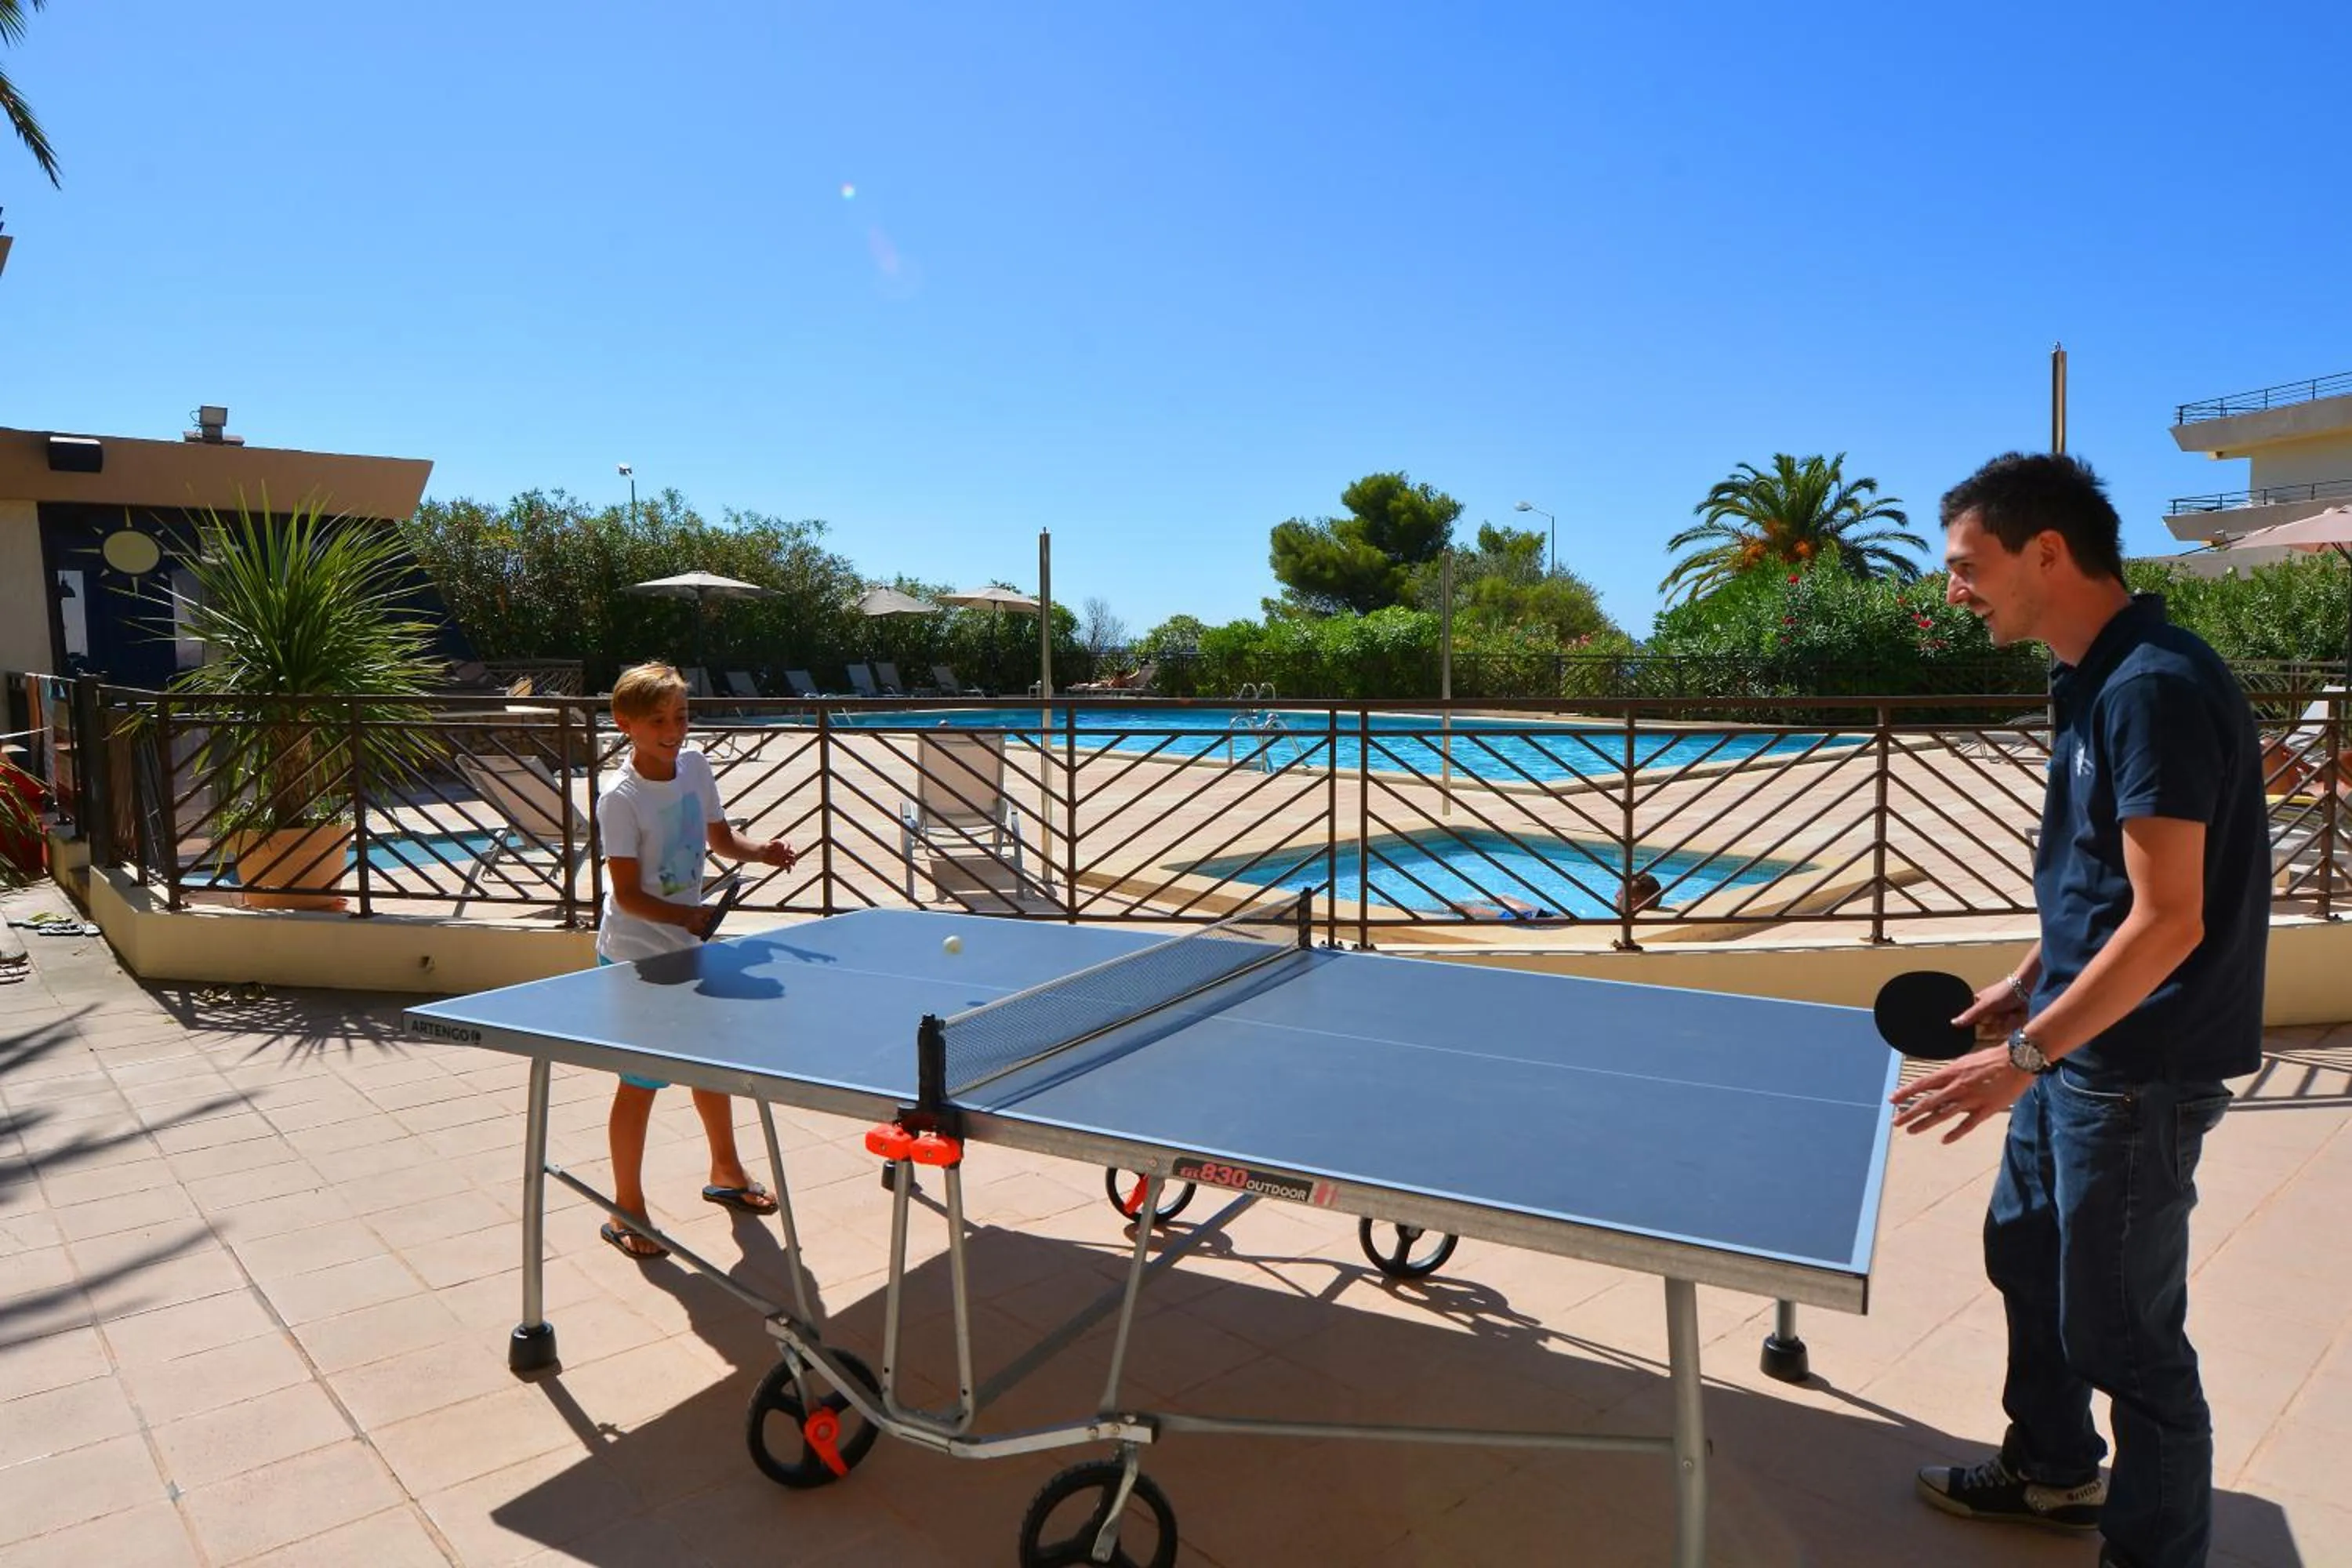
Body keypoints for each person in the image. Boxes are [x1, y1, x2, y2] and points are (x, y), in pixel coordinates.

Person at [1893, 454, 2267, 1568]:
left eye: (1967, 565)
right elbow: (2101, 887)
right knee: (2026, 1256)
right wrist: (2031, 975)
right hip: (2076, 1044)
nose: (1953, 589)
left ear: (2045, 551)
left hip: (2131, 1066)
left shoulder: (2151, 685)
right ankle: (2052, 1470)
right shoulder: (2098, 677)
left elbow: (2168, 921)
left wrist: (2025, 1051)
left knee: (2127, 1337)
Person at [593, 662, 798, 1260]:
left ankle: (726, 1172)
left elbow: (721, 841)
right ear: (625, 724)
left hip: (686, 945)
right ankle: (625, 1207)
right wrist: (684, 917)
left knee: (710, 1066)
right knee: (641, 1081)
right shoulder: (620, 798)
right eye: (658, 720)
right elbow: (627, 895)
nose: (673, 730)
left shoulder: (697, 766)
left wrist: (763, 852)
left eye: (680, 716)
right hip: (635, 955)